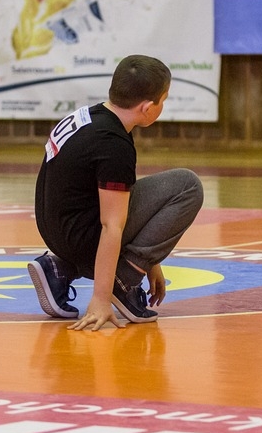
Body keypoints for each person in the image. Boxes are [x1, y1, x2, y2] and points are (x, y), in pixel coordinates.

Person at [28, 54, 203, 331]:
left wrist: (152, 263)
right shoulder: (114, 145)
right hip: (81, 238)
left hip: (57, 234)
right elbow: (112, 225)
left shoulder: (93, 117)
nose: (163, 106)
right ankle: (123, 281)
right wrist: (102, 298)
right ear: (147, 108)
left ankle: (59, 269)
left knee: (123, 198)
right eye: (163, 100)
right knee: (187, 186)